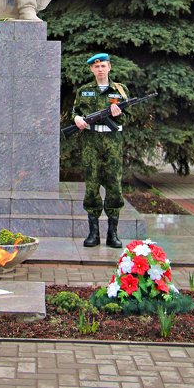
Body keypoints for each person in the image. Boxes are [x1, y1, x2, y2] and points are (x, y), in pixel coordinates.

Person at [72, 53, 129, 248]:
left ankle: (112, 234)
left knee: (114, 186)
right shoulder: (84, 91)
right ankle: (93, 234)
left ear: (109, 67)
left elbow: (128, 118)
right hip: (91, 142)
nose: (100, 70)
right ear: (91, 70)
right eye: (96, 67)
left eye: (103, 66)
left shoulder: (119, 91)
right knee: (92, 187)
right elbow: (76, 111)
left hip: (113, 143)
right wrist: (76, 119)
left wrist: (118, 114)